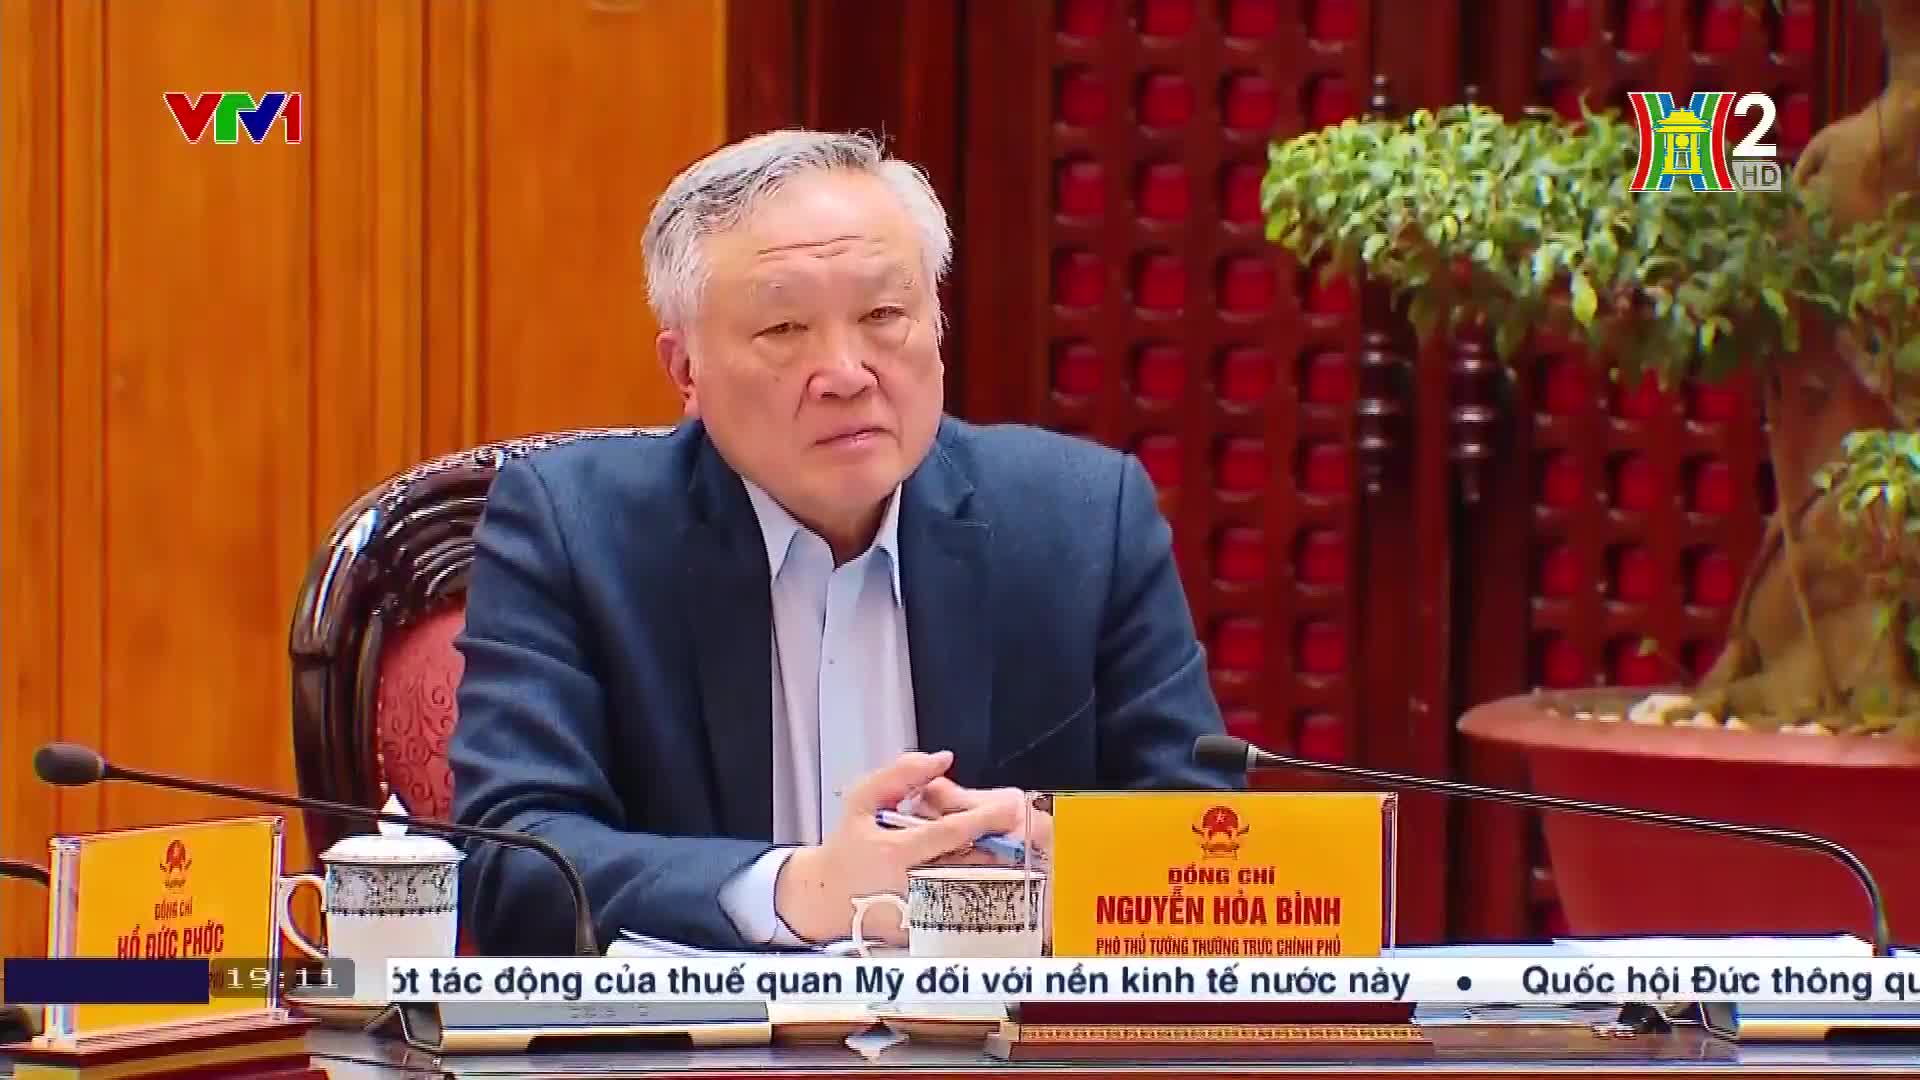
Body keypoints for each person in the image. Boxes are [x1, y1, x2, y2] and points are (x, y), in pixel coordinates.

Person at [448, 129, 1239, 957]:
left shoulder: (1082, 518)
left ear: (936, 326)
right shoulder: (572, 530)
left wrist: (1054, 843)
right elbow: (511, 863)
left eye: (884, 315)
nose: (847, 373)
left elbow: (1206, 836)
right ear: (686, 372)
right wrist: (800, 891)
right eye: (785, 328)